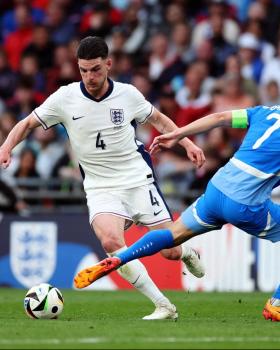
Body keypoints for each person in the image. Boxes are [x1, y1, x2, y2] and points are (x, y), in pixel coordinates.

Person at [0, 36, 206, 320]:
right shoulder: (65, 97)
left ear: (108, 64)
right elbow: (27, 123)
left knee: (169, 251)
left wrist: (188, 143)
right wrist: (7, 146)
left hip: (137, 179)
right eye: (83, 70)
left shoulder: (128, 95)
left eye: (95, 69)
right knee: (111, 242)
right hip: (99, 186)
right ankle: (163, 306)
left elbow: (158, 119)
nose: (89, 77)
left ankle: (186, 252)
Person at [75, 104, 280, 322]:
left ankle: (120, 259)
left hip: (217, 190)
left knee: (173, 234)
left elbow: (219, 117)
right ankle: (276, 304)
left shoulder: (266, 112)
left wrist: (178, 134)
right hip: (245, 202)